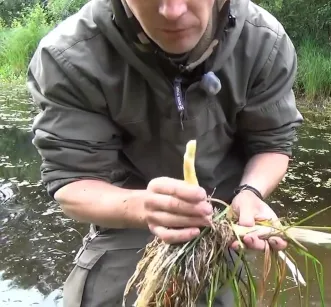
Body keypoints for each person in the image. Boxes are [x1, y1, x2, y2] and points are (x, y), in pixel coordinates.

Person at [26, 0, 303, 306]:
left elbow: (272, 143)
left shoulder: (263, 41)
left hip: (220, 226)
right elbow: (73, 183)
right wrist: (145, 207)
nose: (172, 11)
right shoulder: (69, 55)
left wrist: (251, 193)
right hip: (124, 223)